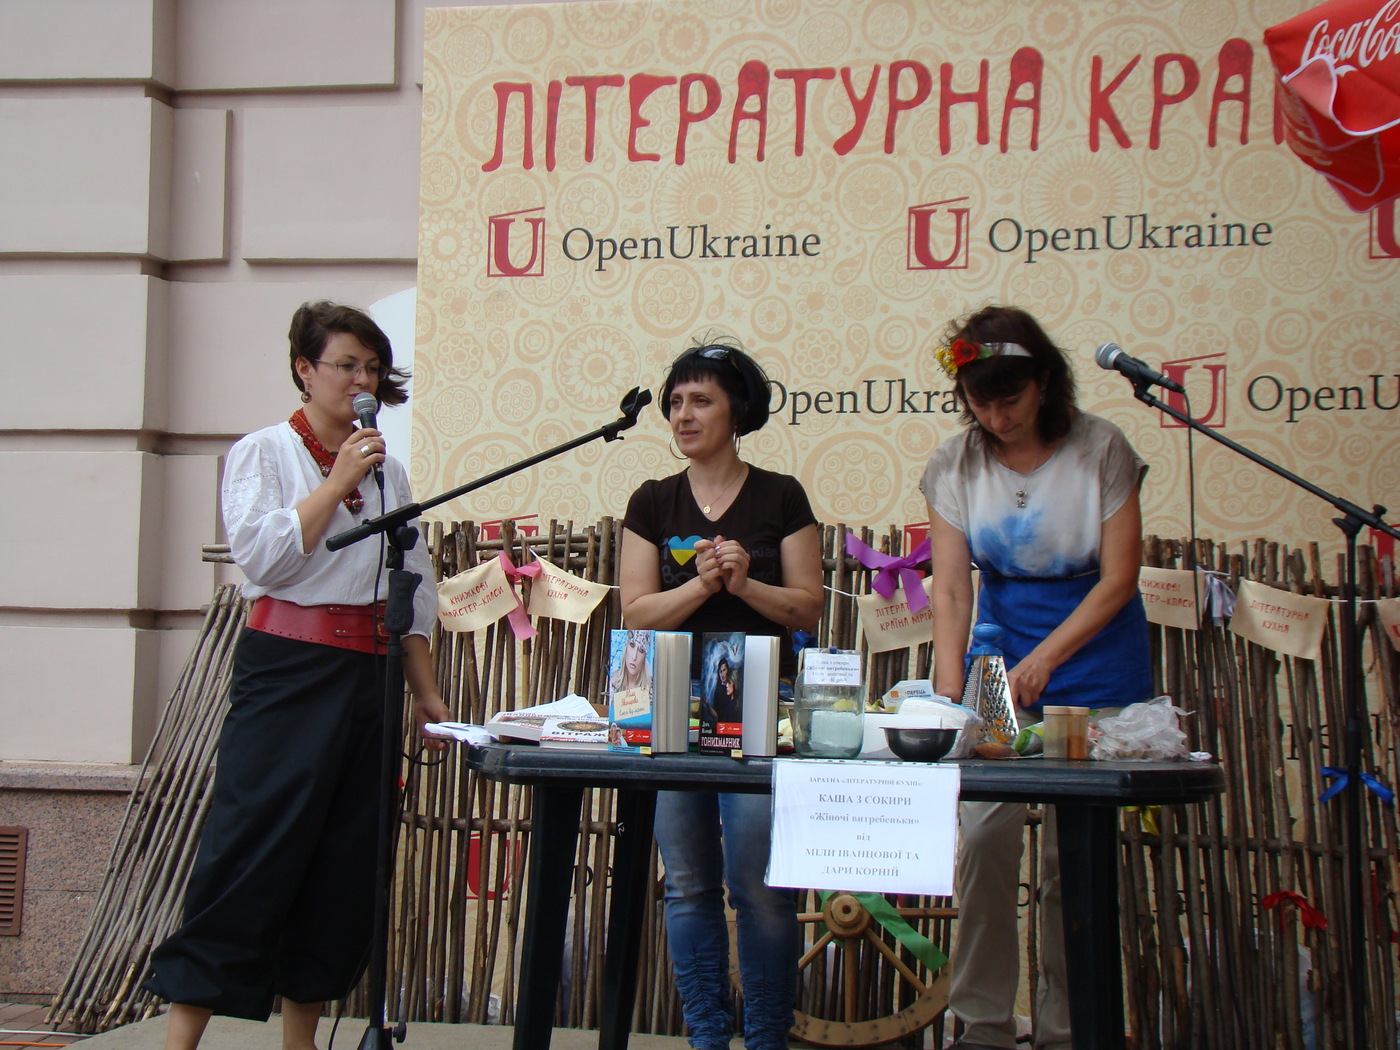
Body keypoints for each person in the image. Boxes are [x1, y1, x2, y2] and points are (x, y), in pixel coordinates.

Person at [145, 301, 451, 1050]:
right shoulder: (263, 452)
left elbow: (411, 590)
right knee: (249, 847)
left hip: (369, 673)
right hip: (288, 668)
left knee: (344, 860)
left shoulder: (389, 470)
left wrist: (426, 695)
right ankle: (181, 1040)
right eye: (346, 365)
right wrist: (336, 480)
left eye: (372, 368)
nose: (361, 381)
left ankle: (300, 1041)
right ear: (305, 370)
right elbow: (265, 559)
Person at [921, 306, 1153, 1050]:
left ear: (1044, 382)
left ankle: (1067, 1030)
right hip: (999, 661)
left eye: (1010, 399)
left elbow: (1119, 578)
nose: (997, 417)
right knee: (985, 839)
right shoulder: (955, 463)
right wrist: (950, 692)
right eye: (981, 402)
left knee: (1071, 857)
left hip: (1096, 657)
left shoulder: (1101, 449)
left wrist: (1049, 658)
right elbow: (951, 590)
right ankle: (981, 1024)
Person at [619, 340, 823, 1050]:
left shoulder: (781, 496)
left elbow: (807, 606)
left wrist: (745, 583)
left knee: (759, 886)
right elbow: (636, 612)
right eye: (675, 401)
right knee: (687, 883)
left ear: (739, 411)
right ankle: (707, 1035)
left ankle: (766, 1037)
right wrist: (702, 586)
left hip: (761, 704)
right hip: (671, 703)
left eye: (701, 400)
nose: (683, 414)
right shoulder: (652, 501)